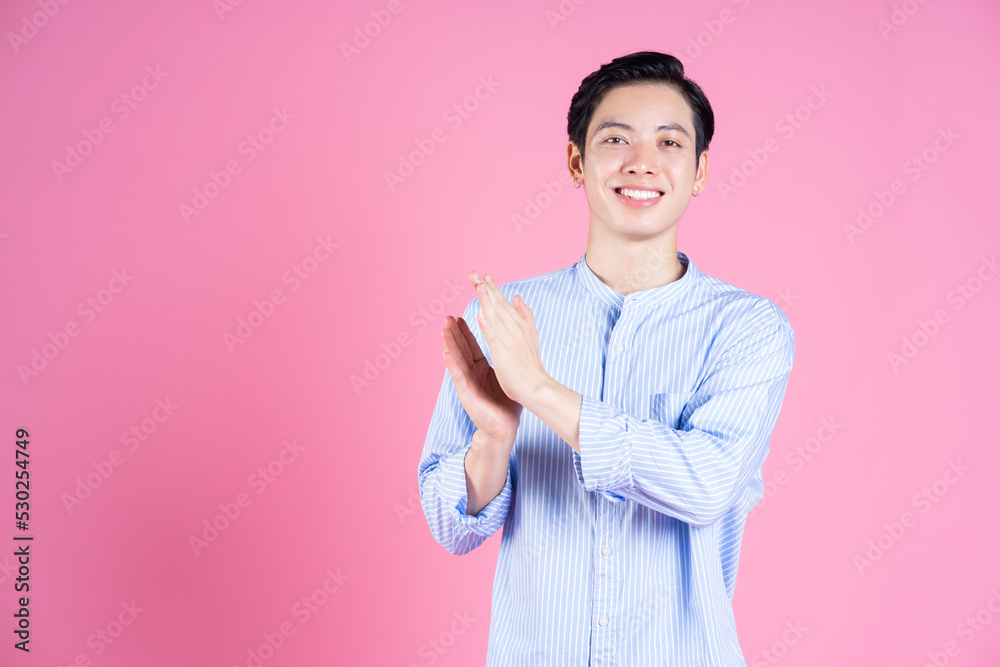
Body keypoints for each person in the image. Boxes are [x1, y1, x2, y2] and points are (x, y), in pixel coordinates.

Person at [417, 51, 795, 666]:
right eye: (616, 139)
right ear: (576, 161)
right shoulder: (509, 320)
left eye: (669, 142)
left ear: (700, 170)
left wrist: (539, 391)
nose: (642, 162)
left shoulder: (748, 327)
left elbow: (706, 484)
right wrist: (493, 438)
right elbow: (451, 526)